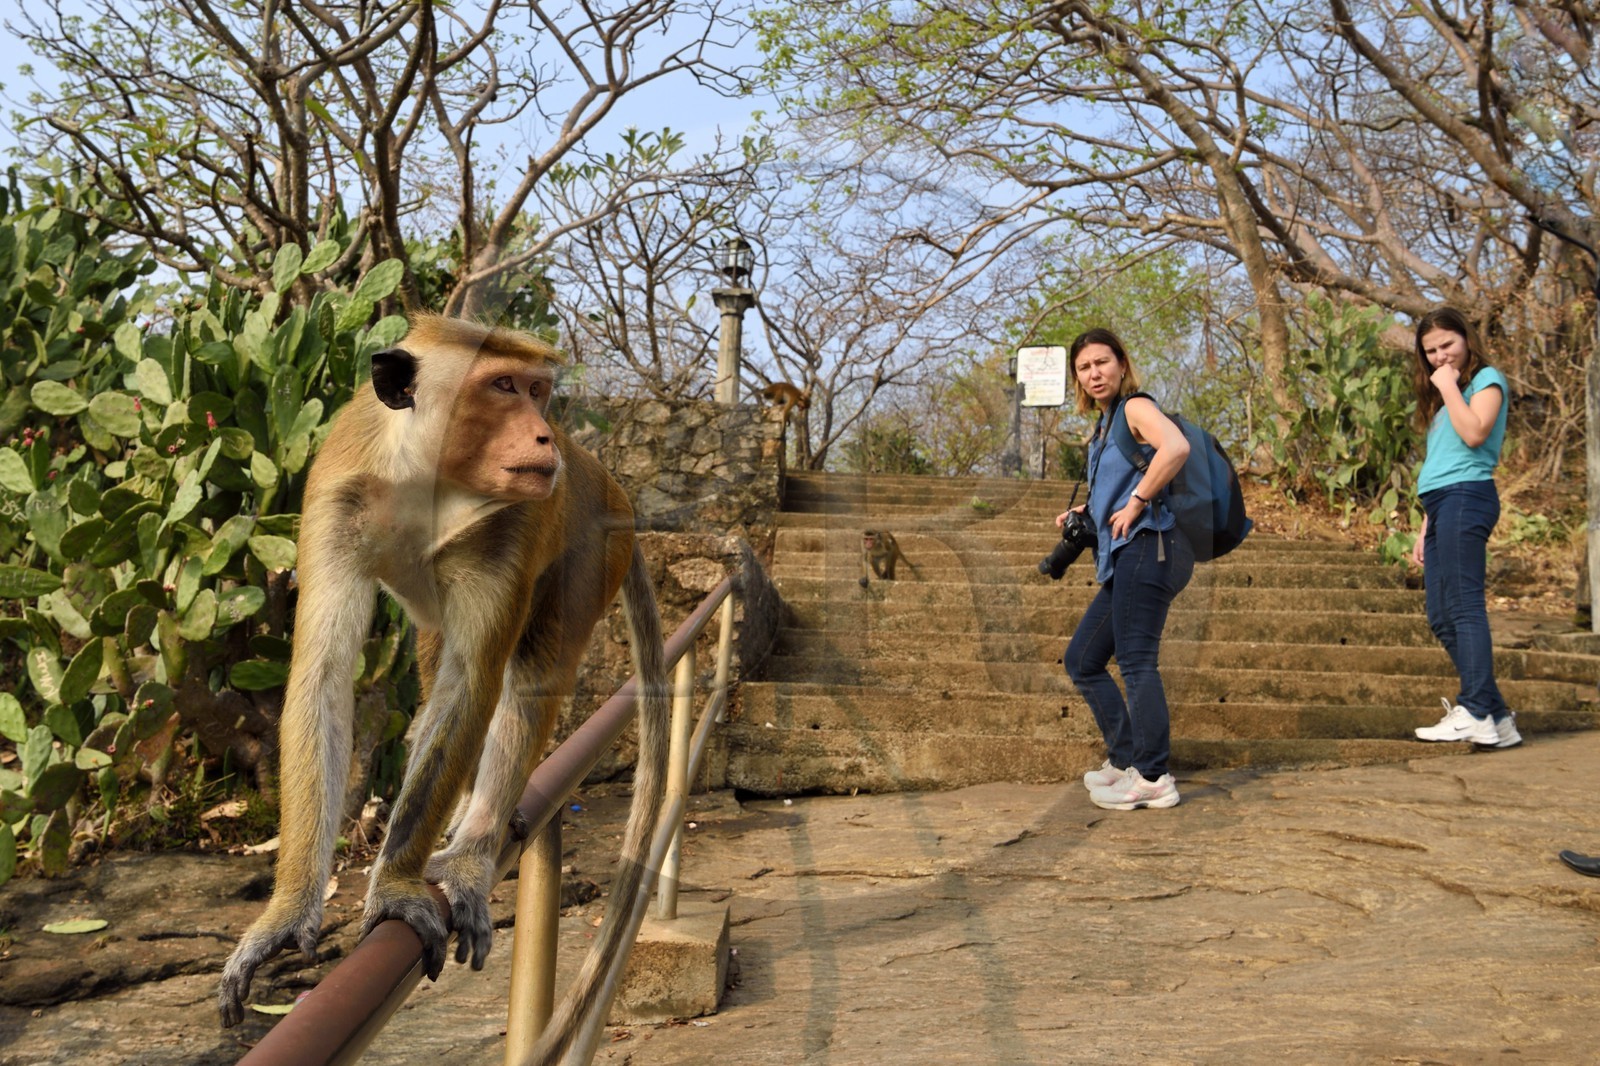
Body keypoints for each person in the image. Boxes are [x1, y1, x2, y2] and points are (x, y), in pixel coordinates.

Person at [1059, 328, 1195, 811]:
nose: (1094, 373)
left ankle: (1154, 776)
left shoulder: (1136, 407)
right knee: (1083, 659)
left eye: (1102, 363)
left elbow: (1175, 448)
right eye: (1084, 367)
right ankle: (1125, 761)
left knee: (1137, 662)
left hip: (1151, 546)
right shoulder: (1102, 429)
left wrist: (1137, 501)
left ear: (1121, 364)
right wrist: (1084, 517)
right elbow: (1111, 508)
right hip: (1125, 556)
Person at [1408, 307, 1522, 749]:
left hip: (1467, 496)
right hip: (1441, 504)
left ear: (1466, 339)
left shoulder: (1486, 381)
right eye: (1430, 351)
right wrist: (1424, 526)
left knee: (1465, 607)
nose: (1440, 357)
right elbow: (1442, 464)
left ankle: (1475, 709)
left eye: (1447, 345)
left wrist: (1450, 388)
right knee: (1440, 615)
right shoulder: (1444, 401)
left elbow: (1475, 435)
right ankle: (1497, 716)